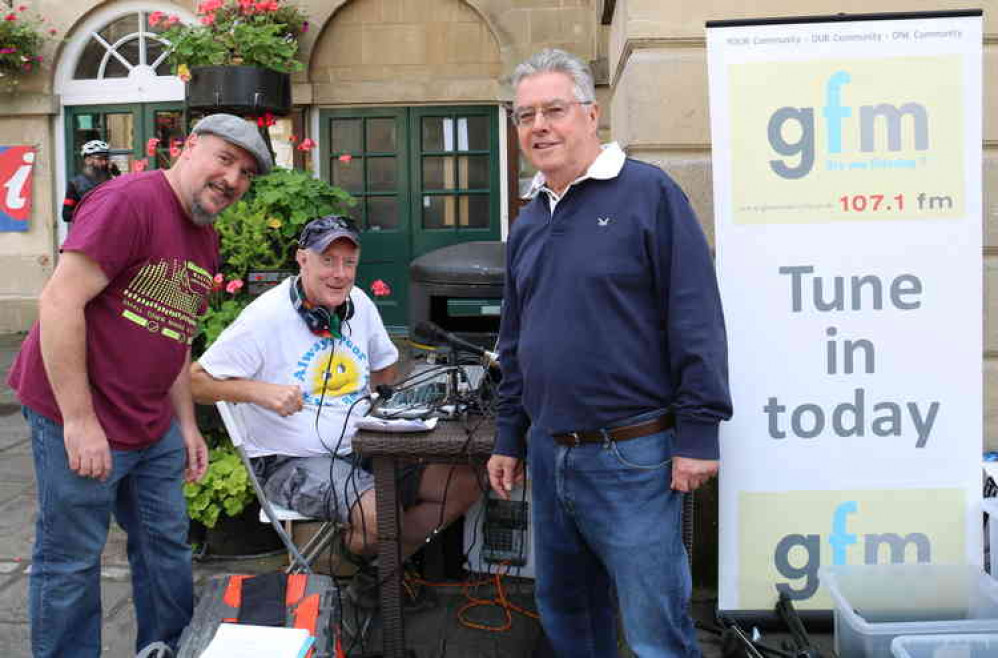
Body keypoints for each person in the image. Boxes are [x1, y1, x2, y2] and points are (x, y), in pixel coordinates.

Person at [487, 49, 733, 658]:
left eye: (554, 110)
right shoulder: (529, 218)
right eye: (524, 116)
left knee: (656, 632)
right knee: (570, 619)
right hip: (549, 455)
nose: (538, 126)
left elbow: (696, 318)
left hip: (634, 457)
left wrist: (699, 435)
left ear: (591, 114)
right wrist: (509, 435)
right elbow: (516, 341)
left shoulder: (649, 194)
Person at [7, 113, 271, 658]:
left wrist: (185, 423)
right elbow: (59, 302)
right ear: (188, 146)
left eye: (245, 172)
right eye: (225, 159)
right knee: (71, 559)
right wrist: (80, 423)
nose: (233, 179)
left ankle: (166, 647)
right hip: (76, 416)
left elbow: (173, 333)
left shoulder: (205, 237)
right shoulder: (127, 201)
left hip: (150, 424)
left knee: (165, 548)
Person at [189, 215, 481, 571]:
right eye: (327, 260)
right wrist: (258, 391)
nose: (339, 273)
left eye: (348, 262)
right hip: (291, 461)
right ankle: (354, 566)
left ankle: (370, 567)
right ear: (302, 259)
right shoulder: (264, 317)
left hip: (366, 447)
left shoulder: (357, 303)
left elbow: (385, 367)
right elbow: (196, 382)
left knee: (465, 482)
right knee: (383, 516)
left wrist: (386, 412)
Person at [62, 140, 117, 224]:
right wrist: (93, 212)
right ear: (88, 160)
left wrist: (117, 175)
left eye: (106, 159)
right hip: (89, 231)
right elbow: (66, 214)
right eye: (100, 159)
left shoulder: (114, 180)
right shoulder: (76, 184)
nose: (105, 162)